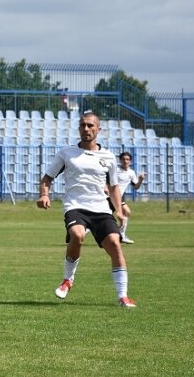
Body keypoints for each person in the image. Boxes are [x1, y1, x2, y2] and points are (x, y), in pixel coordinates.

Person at [37, 111, 136, 308]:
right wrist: (44, 194)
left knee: (115, 244)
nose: (86, 129)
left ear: (98, 129)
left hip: (100, 209)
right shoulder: (66, 153)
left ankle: (123, 296)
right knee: (77, 234)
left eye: (90, 125)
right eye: (83, 125)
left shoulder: (107, 157)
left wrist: (118, 209)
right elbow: (47, 178)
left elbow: (114, 187)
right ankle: (67, 280)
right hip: (75, 206)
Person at [115, 151, 145, 244]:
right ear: (120, 160)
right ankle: (121, 235)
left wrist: (140, 180)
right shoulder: (116, 170)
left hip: (120, 196)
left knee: (126, 212)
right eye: (123, 159)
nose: (125, 161)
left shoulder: (131, 173)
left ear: (130, 161)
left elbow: (136, 187)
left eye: (127, 159)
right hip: (111, 196)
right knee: (99, 216)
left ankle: (122, 235)